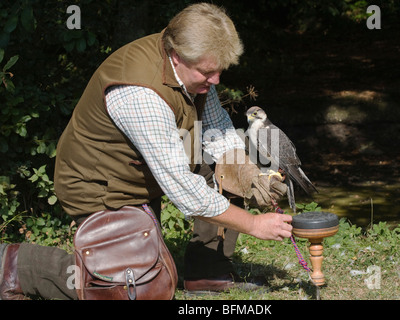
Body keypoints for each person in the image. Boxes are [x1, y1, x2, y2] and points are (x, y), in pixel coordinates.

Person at [0, 3, 292, 300]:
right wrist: (254, 223)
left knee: (227, 168)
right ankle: (15, 265)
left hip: (146, 170)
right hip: (100, 185)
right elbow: (183, 190)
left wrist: (248, 173)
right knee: (132, 292)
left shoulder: (189, 57)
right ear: (177, 57)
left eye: (219, 70)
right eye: (208, 72)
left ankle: (207, 272)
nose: (216, 80)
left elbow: (217, 131)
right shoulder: (140, 93)